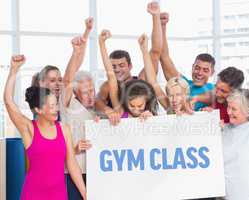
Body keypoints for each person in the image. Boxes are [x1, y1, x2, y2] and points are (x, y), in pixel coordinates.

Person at [4, 55, 86, 200]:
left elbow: (72, 166)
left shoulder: (64, 129)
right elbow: (9, 102)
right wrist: (14, 70)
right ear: (38, 110)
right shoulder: (28, 129)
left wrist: (86, 195)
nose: (56, 109)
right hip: (33, 195)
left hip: (59, 195)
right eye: (52, 106)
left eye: (56, 105)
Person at [95, 1, 163, 120]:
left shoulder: (142, 82)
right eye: (113, 66)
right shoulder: (113, 94)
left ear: (130, 66)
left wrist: (155, 17)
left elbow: (156, 53)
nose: (116, 70)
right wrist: (101, 43)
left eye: (121, 65)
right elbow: (109, 75)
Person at [61, 18, 97, 200]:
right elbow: (68, 79)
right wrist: (78, 48)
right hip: (73, 173)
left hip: (96, 173)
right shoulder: (68, 105)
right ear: (75, 93)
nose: (91, 95)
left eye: (92, 90)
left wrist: (87, 34)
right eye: (85, 92)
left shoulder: (98, 107)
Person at [201, 45, 249, 124]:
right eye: (216, 87)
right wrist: (203, 115)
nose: (217, 93)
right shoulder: (212, 98)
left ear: (236, 91)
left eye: (223, 91)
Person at [159, 12, 215, 111]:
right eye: (197, 68)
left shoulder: (212, 88)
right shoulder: (182, 83)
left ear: (212, 73)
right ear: (192, 67)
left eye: (205, 70)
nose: (200, 73)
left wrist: (196, 98)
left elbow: (218, 96)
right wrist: (162, 26)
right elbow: (164, 57)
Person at [99, 30, 158, 119]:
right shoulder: (120, 110)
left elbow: (152, 79)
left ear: (146, 102)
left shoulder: (149, 112)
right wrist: (101, 43)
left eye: (140, 106)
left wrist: (145, 51)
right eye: (132, 105)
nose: (135, 110)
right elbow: (111, 75)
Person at [139, 33, 192, 115]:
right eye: (170, 96)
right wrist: (144, 51)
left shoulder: (194, 108)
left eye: (178, 95)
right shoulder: (169, 106)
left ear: (186, 95)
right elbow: (153, 82)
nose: (174, 100)